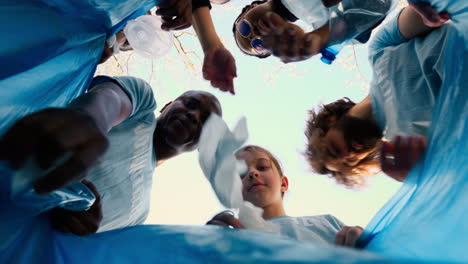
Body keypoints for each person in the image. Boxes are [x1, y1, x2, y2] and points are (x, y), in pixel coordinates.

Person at [0, 75, 222, 235]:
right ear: (166, 106)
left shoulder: (140, 214)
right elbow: (111, 99)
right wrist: (91, 119)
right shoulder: (142, 105)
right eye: (191, 104)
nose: (193, 115)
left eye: (205, 122)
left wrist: (81, 232)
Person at [304, 4, 451, 187]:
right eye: (350, 162)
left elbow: (431, 9)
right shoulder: (412, 147)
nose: (350, 155)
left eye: (335, 150)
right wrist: (424, 176)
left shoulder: (379, 50)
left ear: (330, 121)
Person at [206, 145, 363, 247]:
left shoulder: (326, 223)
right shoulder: (228, 238)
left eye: (262, 167)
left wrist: (366, 243)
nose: (253, 173)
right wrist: (205, 244)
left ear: (283, 184)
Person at [231, 0, 393, 62]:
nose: (255, 33)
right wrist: (321, 37)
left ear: (249, 8)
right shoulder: (326, 26)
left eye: (244, 28)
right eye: (257, 44)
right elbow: (379, 5)